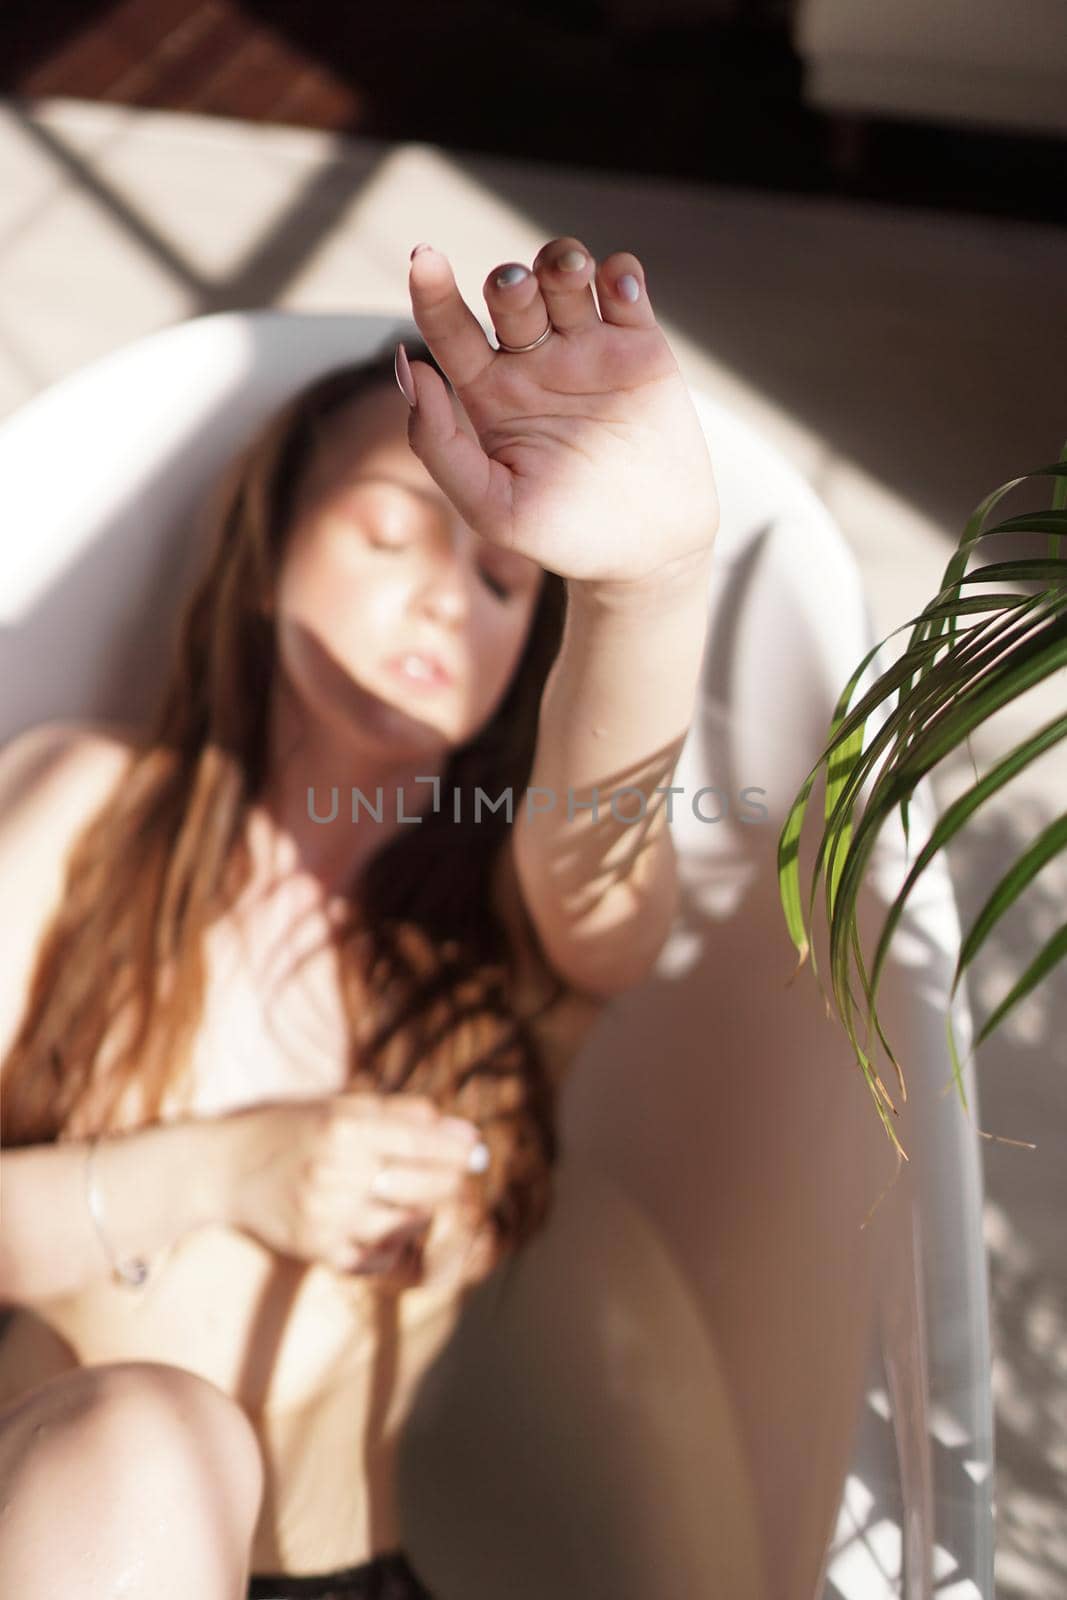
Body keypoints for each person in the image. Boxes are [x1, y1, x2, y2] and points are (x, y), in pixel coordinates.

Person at [0, 235, 720, 1599]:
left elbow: (610, 887)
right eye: (394, 530)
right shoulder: (91, 807)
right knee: (147, 1442)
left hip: (341, 1576)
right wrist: (225, 1172)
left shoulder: (512, 926)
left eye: (503, 582)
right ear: (265, 552)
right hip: (44, 1525)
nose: (448, 594)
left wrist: (644, 588)